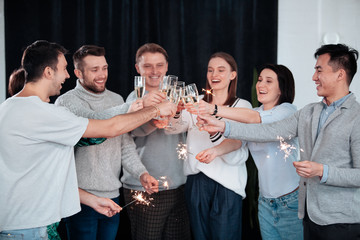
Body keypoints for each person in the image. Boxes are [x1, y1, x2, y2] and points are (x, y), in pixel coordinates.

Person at [0, 40, 176, 239]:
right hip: (28, 227)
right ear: (49, 72)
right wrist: (154, 109)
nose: (66, 75)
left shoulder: (9, 107)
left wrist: (91, 200)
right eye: (64, 69)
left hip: (30, 223)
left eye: (104, 68)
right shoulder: (45, 112)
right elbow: (108, 128)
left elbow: (44, 175)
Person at [197, 43, 360, 239]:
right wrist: (221, 129)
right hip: (297, 211)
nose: (313, 77)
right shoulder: (308, 111)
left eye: (319, 70)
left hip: (338, 220)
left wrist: (321, 171)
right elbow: (267, 132)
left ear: (340, 74)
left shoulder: (353, 117)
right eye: (260, 80)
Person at [55, 45, 159, 240]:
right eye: (94, 70)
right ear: (78, 73)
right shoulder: (66, 102)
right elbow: (94, 120)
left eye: (105, 68)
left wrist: (142, 174)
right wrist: (133, 107)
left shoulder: (116, 100)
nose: (102, 74)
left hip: (112, 196)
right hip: (80, 200)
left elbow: (125, 145)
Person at [194, 64, 303, 239]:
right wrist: (215, 151)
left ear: (282, 88)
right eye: (259, 80)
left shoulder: (287, 112)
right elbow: (238, 139)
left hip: (290, 201)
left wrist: (213, 109)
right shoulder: (254, 112)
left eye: (268, 81)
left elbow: (256, 120)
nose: (260, 85)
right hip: (265, 201)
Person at [167, 52, 251, 239]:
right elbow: (172, 129)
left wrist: (213, 133)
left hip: (228, 185)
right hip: (197, 181)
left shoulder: (242, 107)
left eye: (221, 70)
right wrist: (176, 113)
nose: (215, 75)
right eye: (210, 70)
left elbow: (238, 147)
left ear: (233, 75)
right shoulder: (195, 102)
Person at [121, 43, 191, 240]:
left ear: (167, 67)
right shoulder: (134, 99)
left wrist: (180, 115)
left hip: (178, 184)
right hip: (144, 186)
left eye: (159, 65)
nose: (154, 71)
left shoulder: (177, 95)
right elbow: (135, 130)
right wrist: (157, 116)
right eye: (147, 66)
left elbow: (185, 129)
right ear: (138, 68)